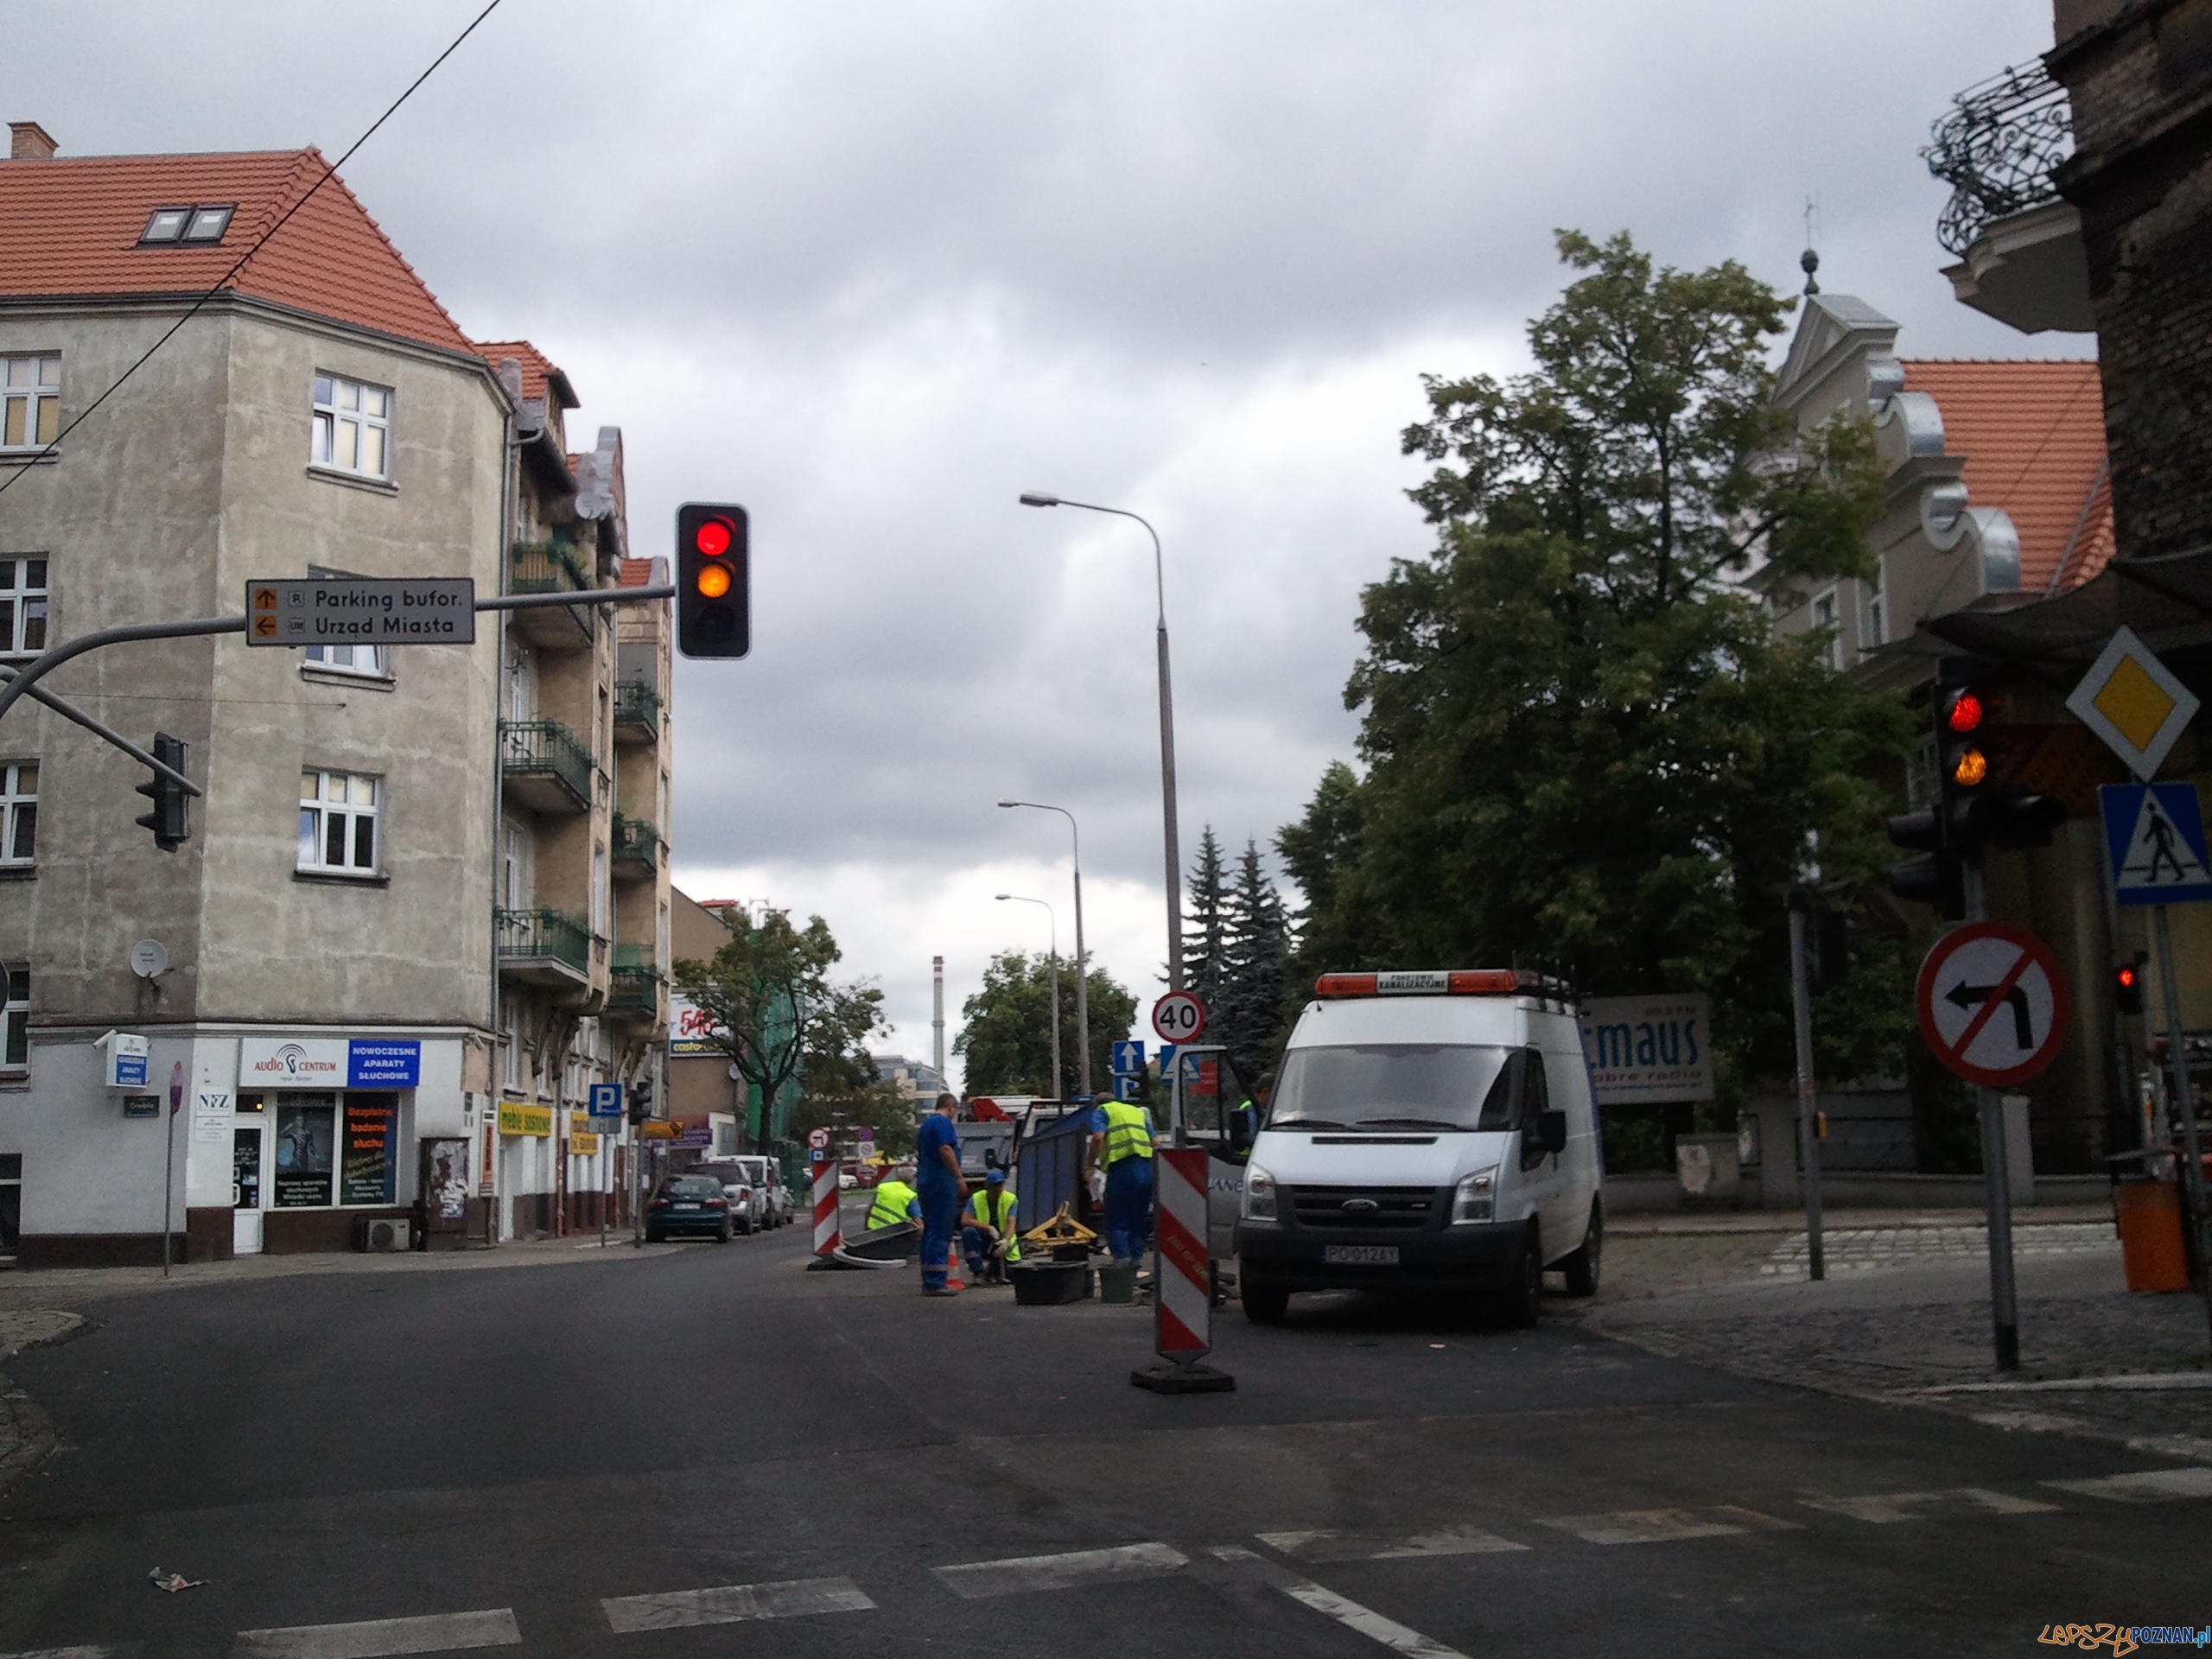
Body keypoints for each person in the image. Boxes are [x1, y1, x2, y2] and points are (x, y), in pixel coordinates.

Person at [1087, 1090, 1155, 1267]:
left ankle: (1122, 1259)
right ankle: (1135, 1259)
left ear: (1098, 1105)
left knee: (1116, 1217)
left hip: (1123, 1170)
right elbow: (1156, 1143)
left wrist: (1089, 1164)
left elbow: (1098, 1137)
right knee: (1137, 1218)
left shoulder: (1102, 1111)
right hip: (1146, 1170)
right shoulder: (1137, 1112)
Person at [913, 1093, 968, 1295]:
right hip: (941, 1182)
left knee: (930, 1231)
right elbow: (946, 1149)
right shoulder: (942, 1123)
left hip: (927, 1180)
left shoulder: (926, 1126)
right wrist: (959, 1178)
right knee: (941, 1231)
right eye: (956, 1111)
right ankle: (936, 1282)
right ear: (951, 1108)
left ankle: (930, 1278)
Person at [962, 1168, 1021, 1283]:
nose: (998, 1189)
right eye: (994, 1186)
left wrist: (1005, 1241)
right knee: (968, 1232)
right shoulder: (977, 1198)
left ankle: (992, 1271)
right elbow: (965, 1220)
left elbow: (1011, 1223)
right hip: (985, 1239)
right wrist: (988, 1228)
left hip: (1001, 1242)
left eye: (1000, 1185)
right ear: (988, 1187)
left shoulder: (1010, 1199)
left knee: (1013, 1275)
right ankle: (978, 1271)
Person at [865, 1166, 920, 1232]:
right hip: (894, 1232)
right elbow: (918, 1221)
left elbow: (869, 1209)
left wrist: (866, 1226)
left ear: (898, 1177)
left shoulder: (883, 1187)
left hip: (873, 1228)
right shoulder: (910, 1195)